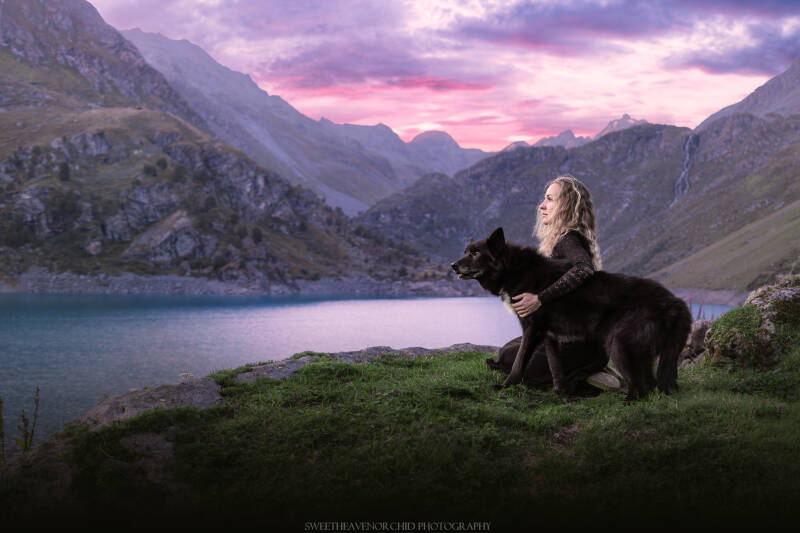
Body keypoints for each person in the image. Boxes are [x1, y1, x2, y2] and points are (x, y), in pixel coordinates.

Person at [487, 174, 621, 393]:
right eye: (544, 199)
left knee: (507, 359)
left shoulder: (568, 239)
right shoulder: (565, 238)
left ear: (567, 206)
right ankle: (591, 367)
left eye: (550, 199)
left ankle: (589, 377)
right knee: (510, 349)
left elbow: (584, 269)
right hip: (583, 341)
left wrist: (539, 299)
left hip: (576, 344)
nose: (542, 206)